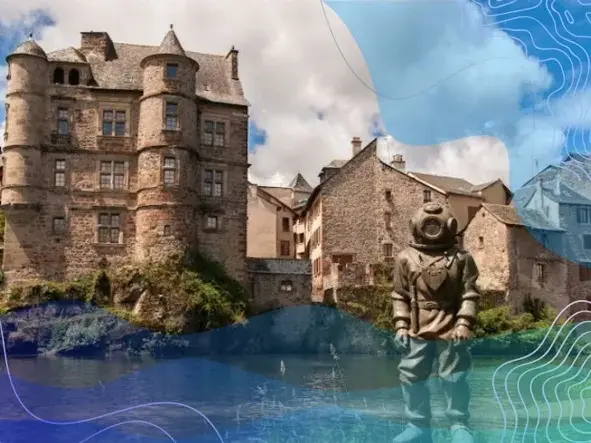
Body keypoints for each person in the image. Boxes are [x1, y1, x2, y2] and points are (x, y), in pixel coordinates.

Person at [391, 202, 480, 443]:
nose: (432, 228)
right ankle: (417, 424)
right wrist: (401, 325)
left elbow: (469, 294)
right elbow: (399, 295)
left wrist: (464, 323)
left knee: (454, 376)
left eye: (436, 224)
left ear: (450, 226)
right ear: (415, 226)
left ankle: (459, 424)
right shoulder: (405, 258)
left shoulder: (462, 258)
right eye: (427, 224)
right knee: (410, 374)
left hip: (451, 327)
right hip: (417, 327)